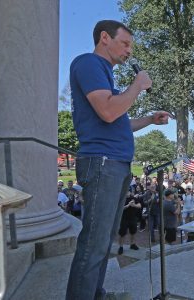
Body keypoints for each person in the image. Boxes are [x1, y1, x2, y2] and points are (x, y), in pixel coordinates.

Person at [66, 20, 173, 300]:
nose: (129, 51)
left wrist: (150, 119)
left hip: (114, 164)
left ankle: (95, 294)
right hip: (102, 163)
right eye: (125, 43)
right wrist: (138, 84)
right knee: (93, 243)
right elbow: (109, 112)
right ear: (104, 38)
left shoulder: (106, 78)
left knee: (103, 242)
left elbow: (119, 121)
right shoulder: (88, 63)